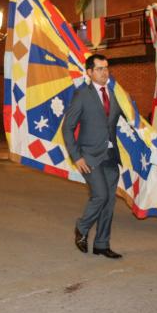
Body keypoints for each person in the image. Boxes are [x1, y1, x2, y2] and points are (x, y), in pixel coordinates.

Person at [62, 54, 123, 259]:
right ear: (89, 72)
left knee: (109, 204)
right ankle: (82, 227)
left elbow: (125, 119)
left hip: (111, 156)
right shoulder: (82, 95)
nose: (104, 72)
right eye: (99, 69)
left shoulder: (114, 93)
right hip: (90, 156)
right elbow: (68, 128)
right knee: (100, 196)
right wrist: (77, 157)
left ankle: (101, 244)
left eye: (106, 68)